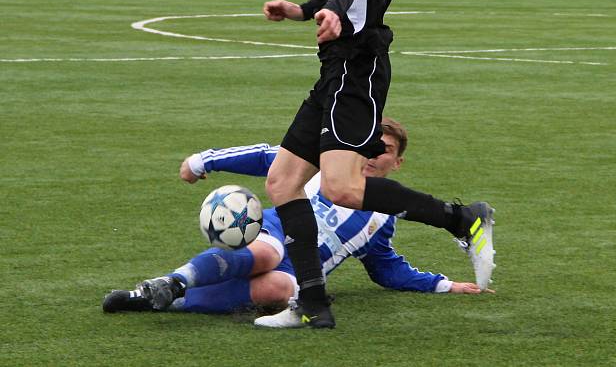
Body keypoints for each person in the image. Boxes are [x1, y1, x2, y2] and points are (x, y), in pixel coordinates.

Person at [250, 0, 494, 329]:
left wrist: (334, 11)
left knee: (340, 187)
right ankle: (312, 303)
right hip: (339, 63)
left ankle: (462, 218)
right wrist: (302, 11)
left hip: (355, 66)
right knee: (283, 182)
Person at [102, 119, 488, 319]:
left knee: (279, 289)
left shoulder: (383, 219)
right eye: (367, 144)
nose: (373, 154)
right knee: (268, 255)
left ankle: (163, 301)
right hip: (274, 233)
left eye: (383, 150)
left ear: (397, 161)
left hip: (301, 270)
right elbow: (263, 157)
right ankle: (174, 281)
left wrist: (444, 285)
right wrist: (203, 161)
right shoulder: (322, 164)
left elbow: (387, 269)